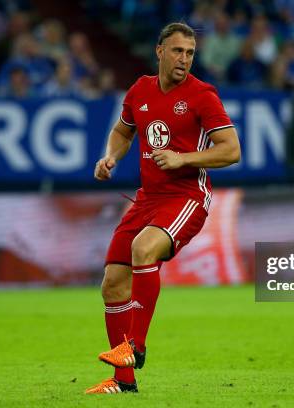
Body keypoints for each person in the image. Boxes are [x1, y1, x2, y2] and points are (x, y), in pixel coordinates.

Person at [85, 22, 240, 395]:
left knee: (143, 248)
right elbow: (123, 132)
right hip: (147, 199)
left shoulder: (203, 95)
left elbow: (231, 150)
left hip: (187, 197)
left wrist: (182, 158)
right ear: (159, 51)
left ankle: (135, 346)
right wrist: (110, 157)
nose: (184, 59)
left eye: (190, 53)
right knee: (112, 284)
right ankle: (124, 383)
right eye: (177, 51)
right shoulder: (140, 89)